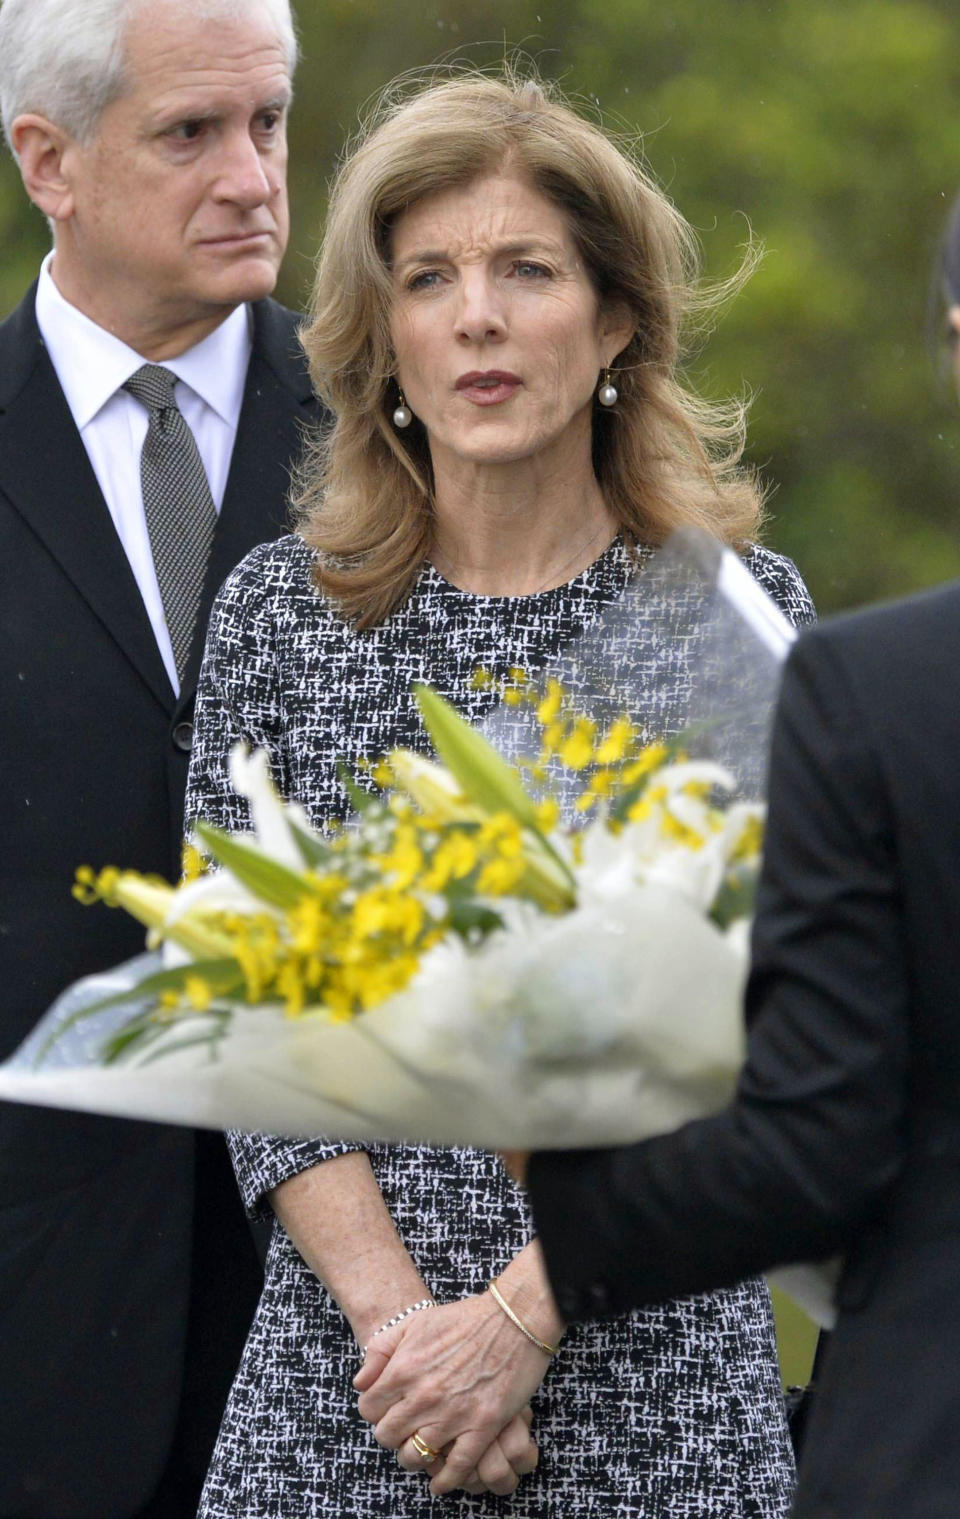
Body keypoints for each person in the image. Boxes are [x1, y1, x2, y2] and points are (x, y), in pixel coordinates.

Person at [186, 71, 814, 1518]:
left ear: (612, 325)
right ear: (383, 338)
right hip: (352, 1394)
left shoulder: (740, 616)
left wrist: (521, 1324)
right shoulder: (285, 617)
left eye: (526, 270)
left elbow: (770, 1044)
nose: (476, 315)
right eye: (430, 278)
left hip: (660, 1395)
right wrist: (409, 1338)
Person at [0, 2, 320, 1515]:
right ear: (46, 161)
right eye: (193, 133)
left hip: (375, 1350)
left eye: (269, 123)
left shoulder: (416, 440)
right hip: (38, 1341)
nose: (254, 176)